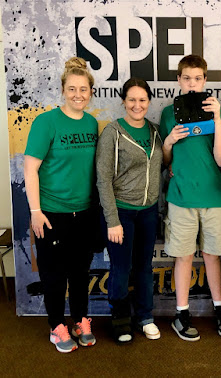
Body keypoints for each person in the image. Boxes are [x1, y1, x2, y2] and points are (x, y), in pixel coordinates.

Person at [24, 57, 97, 353]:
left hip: (85, 213)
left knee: (80, 273)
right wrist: (35, 211)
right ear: (63, 91)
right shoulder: (46, 122)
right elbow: (30, 169)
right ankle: (57, 325)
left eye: (83, 89)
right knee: (54, 275)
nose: (78, 94)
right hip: (52, 213)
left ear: (91, 91)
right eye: (72, 89)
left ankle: (80, 320)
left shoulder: (93, 123)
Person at [160, 54, 221, 341]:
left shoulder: (219, 111)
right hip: (181, 198)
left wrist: (216, 117)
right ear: (179, 80)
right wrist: (169, 142)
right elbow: (166, 161)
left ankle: (220, 309)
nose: (192, 84)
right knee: (184, 257)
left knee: (213, 256)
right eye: (187, 78)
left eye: (198, 78)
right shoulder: (168, 112)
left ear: (205, 80)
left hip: (213, 196)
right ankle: (181, 313)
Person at [96, 78, 163, 344]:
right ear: (123, 101)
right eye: (132, 99)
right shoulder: (113, 132)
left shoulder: (155, 131)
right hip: (121, 212)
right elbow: (103, 178)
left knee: (144, 267)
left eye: (142, 100)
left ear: (149, 101)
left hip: (148, 211)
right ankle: (120, 317)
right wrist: (112, 220)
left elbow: (162, 164)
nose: (137, 105)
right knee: (122, 268)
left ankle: (145, 316)